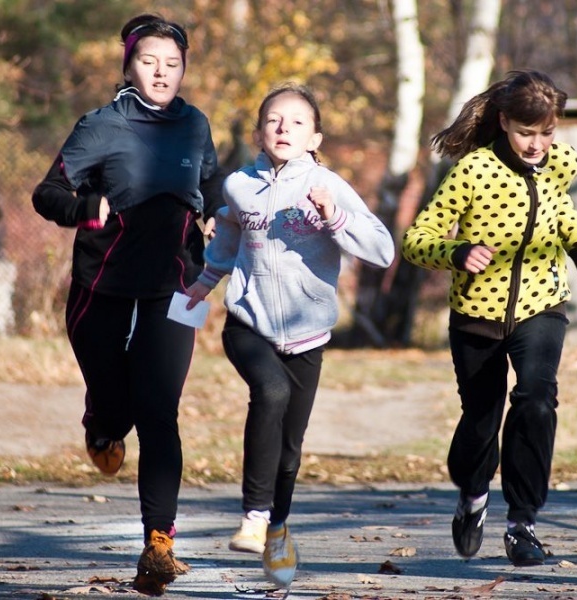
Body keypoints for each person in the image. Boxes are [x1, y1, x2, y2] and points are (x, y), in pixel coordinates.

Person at [31, 13, 224, 597]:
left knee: (159, 408)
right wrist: (85, 206)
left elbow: (211, 183)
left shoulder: (195, 125)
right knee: (117, 407)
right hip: (104, 283)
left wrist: (217, 210)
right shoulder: (100, 126)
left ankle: (158, 544)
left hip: (175, 283)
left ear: (184, 68)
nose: (162, 72)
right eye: (150, 61)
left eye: (172, 63)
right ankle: (102, 423)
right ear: (129, 65)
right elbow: (48, 192)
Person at [186, 83, 395, 588]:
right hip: (248, 322)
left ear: (314, 136)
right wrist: (202, 285)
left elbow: (382, 250)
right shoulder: (238, 186)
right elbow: (228, 243)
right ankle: (255, 516)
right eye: (275, 121)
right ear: (259, 133)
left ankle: (278, 526)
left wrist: (333, 216)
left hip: (308, 332)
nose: (284, 129)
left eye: (297, 122)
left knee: (292, 446)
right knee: (270, 391)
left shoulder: (329, 185)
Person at [402, 70, 577, 567]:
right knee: (480, 418)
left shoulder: (561, 162)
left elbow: (561, 212)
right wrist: (457, 253)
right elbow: (416, 240)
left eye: (546, 133)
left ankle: (523, 524)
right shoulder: (472, 170)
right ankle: (473, 496)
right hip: (476, 314)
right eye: (525, 132)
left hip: (542, 304)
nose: (537, 144)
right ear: (504, 122)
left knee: (536, 400)